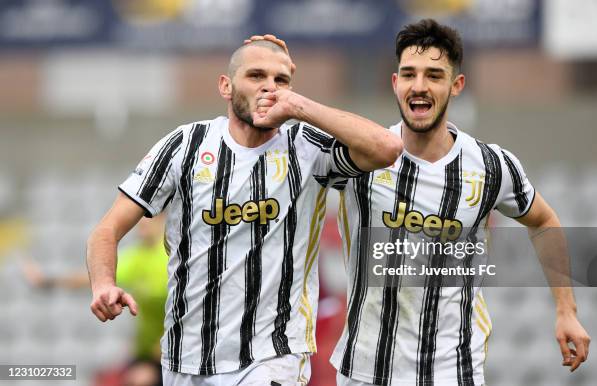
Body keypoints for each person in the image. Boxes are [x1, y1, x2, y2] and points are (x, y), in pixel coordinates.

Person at [86, 35, 403, 386]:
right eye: (256, 76)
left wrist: (299, 105)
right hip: (187, 357)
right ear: (226, 86)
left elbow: (386, 147)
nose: (270, 88)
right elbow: (106, 230)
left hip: (273, 356)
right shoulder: (185, 145)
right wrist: (103, 284)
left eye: (281, 80)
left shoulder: (306, 147)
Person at [331, 19, 591, 386]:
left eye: (434, 75)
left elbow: (544, 221)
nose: (419, 86)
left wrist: (567, 311)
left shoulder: (490, 166)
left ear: (456, 86)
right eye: (409, 74)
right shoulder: (360, 158)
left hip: (453, 371)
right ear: (395, 83)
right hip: (366, 371)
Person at [22, 216, 168, 361]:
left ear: (162, 220)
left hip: (168, 347)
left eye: (148, 221)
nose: (141, 227)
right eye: (139, 223)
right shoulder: (136, 257)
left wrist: (167, 340)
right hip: (146, 349)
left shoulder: (170, 258)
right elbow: (92, 279)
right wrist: (47, 281)